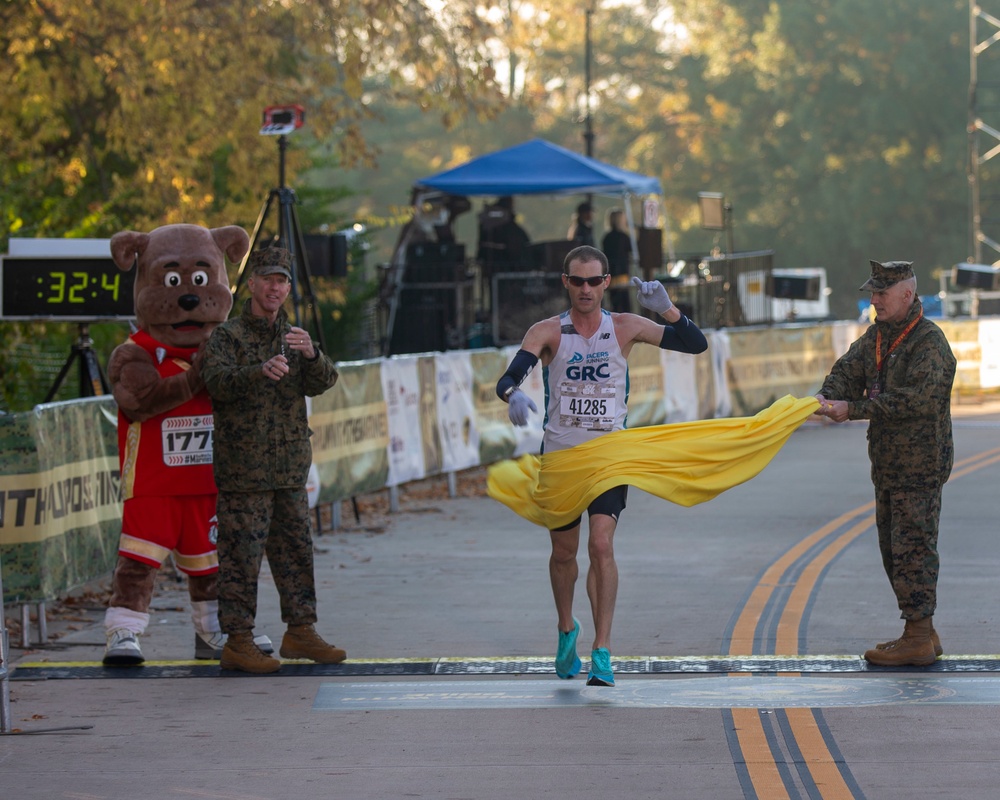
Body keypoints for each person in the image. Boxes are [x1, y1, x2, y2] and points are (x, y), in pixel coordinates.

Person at [495, 245, 707, 686]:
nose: (586, 289)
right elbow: (511, 373)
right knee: (564, 553)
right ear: (565, 283)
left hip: (609, 454)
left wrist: (667, 309)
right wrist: (512, 393)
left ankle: (603, 649)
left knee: (602, 546)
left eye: (594, 281)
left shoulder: (626, 326)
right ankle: (566, 628)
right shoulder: (548, 331)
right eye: (578, 281)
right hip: (562, 456)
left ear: (607, 283)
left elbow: (695, 344)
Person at [201, 246, 346, 674]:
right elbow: (215, 382)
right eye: (268, 279)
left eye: (282, 281)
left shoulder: (294, 336)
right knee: (241, 559)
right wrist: (256, 372)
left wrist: (312, 356)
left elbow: (325, 382)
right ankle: (239, 640)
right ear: (251, 284)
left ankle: (300, 631)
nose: (275, 288)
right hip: (245, 471)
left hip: (288, 470)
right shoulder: (228, 336)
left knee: (297, 552)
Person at [814, 259, 956, 667]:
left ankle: (916, 635)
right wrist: (827, 397)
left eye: (881, 293)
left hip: (921, 465)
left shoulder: (929, 342)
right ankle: (923, 633)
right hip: (889, 466)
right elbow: (846, 370)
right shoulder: (878, 337)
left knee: (913, 550)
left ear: (907, 295)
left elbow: (918, 399)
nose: (874, 300)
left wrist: (853, 408)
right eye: (872, 293)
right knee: (892, 550)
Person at [601, 208, 632, 313]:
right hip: (622, 272)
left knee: (614, 301)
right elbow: (630, 250)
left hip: (611, 273)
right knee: (625, 301)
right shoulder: (624, 237)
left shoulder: (607, 237)